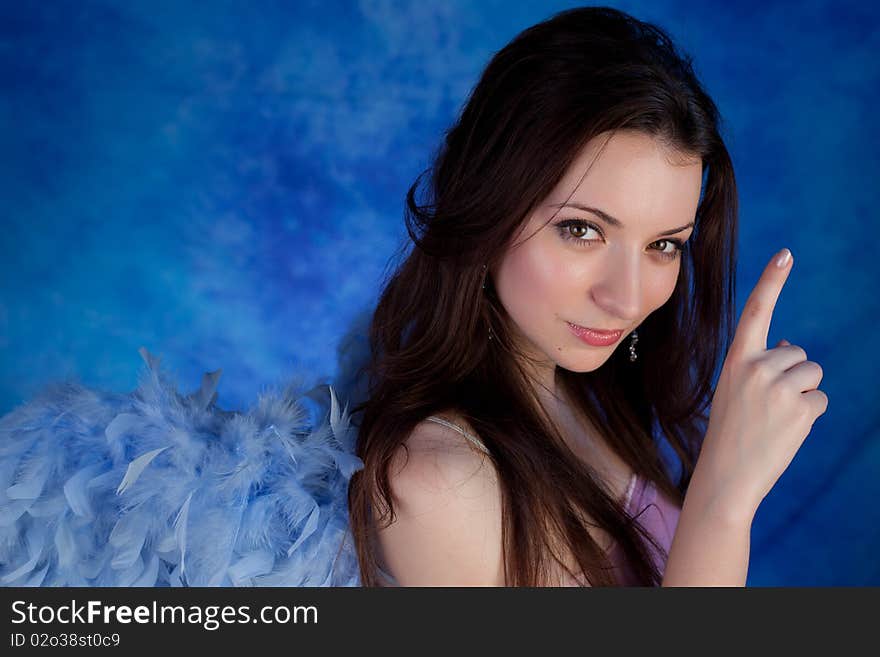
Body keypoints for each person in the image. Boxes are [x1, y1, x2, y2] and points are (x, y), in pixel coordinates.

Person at [345, 6, 828, 586]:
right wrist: (724, 502)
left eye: (664, 246)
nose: (626, 300)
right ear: (489, 206)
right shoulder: (435, 483)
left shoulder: (580, 396)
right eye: (582, 230)